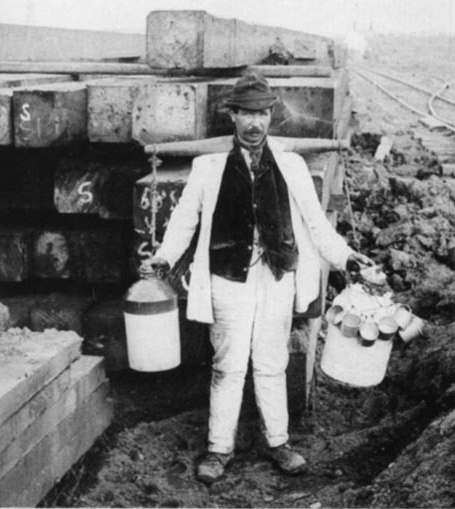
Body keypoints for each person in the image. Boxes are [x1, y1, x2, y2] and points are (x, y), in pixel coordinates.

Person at [143, 71, 372, 484]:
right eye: (246, 114)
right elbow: (182, 223)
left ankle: (279, 443)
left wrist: (347, 259)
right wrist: (163, 259)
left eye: (262, 114)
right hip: (228, 278)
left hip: (276, 277)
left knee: (271, 361)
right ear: (232, 116)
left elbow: (317, 225)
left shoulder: (291, 165)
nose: (254, 123)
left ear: (271, 117)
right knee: (228, 364)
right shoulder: (208, 168)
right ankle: (218, 449)